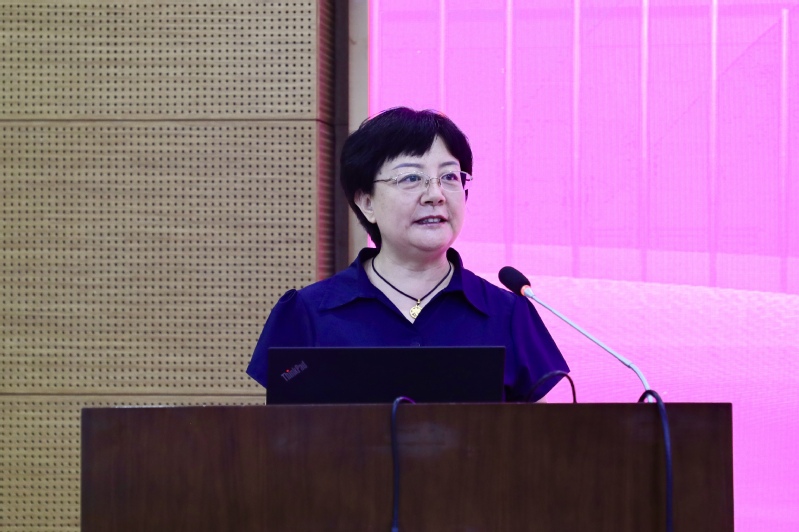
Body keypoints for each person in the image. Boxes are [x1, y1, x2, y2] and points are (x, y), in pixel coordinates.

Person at [246, 107, 569, 402]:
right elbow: (282, 433)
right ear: (367, 202)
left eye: (449, 177)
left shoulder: (508, 314)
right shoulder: (306, 313)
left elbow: (540, 437)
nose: (435, 195)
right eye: (411, 178)